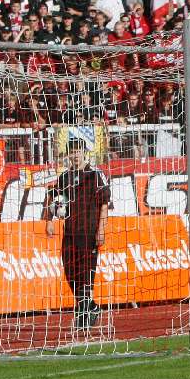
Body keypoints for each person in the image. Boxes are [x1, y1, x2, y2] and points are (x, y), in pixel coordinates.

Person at [45, 139, 110, 332]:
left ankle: (83, 315)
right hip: (70, 232)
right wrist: (50, 219)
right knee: (70, 273)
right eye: (71, 152)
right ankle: (92, 307)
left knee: (85, 273)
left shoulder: (95, 175)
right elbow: (55, 198)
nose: (74, 155)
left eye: (77, 151)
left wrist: (101, 229)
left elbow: (104, 204)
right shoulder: (65, 177)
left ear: (84, 153)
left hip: (88, 232)